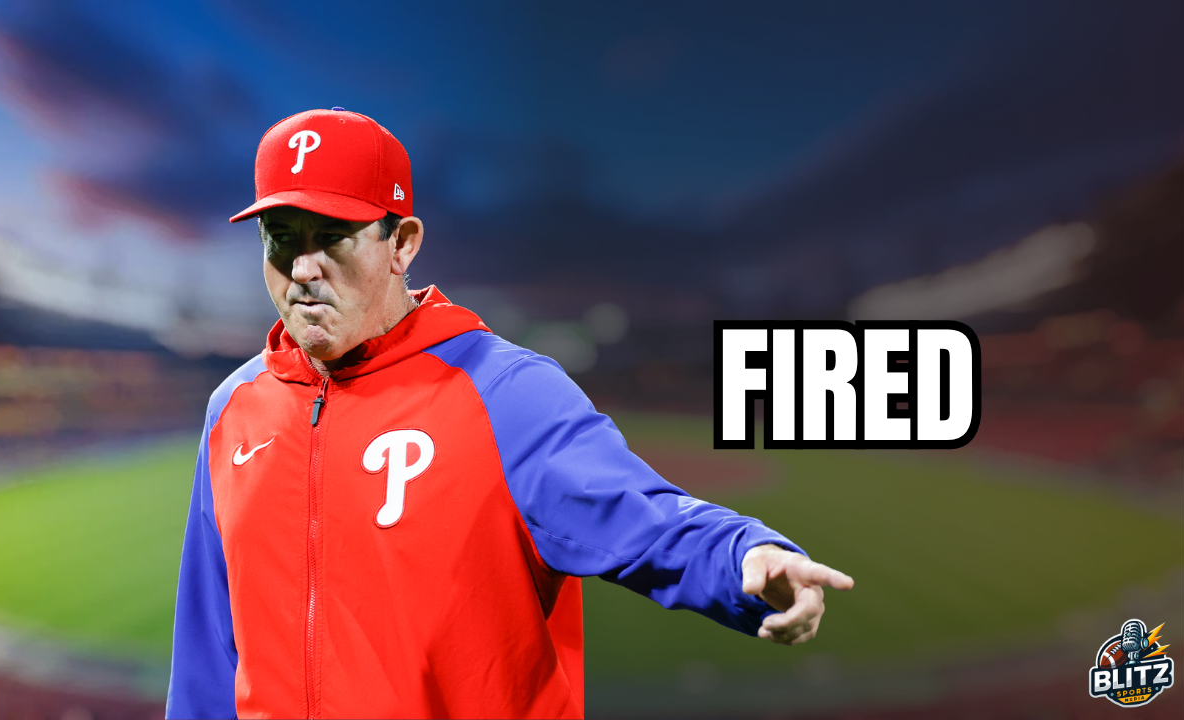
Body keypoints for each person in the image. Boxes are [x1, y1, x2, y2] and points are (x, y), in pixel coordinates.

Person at [166, 108, 853, 720]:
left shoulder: (503, 391)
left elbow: (640, 515)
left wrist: (742, 557)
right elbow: (207, 645)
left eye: (333, 236)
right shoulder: (235, 408)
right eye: (282, 238)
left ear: (402, 243)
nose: (302, 268)